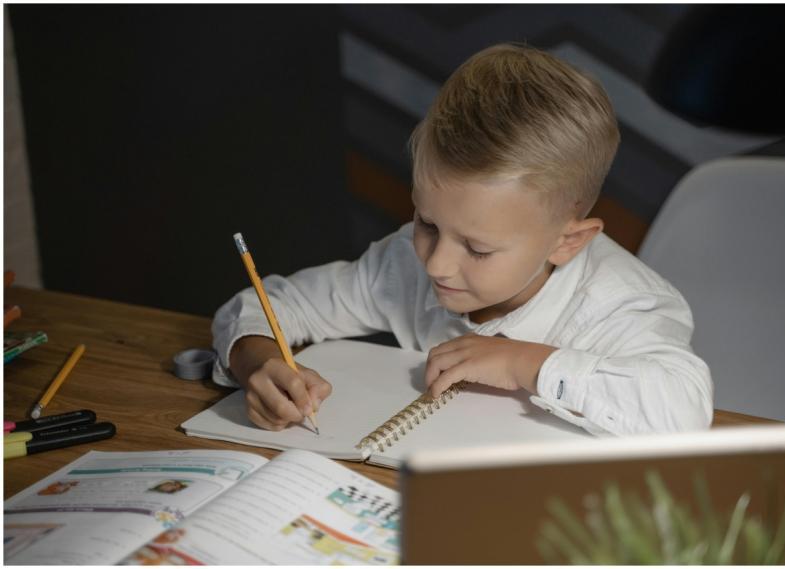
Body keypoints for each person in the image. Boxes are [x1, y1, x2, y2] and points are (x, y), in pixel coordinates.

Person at [212, 43, 713, 436]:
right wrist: (259, 362)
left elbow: (685, 407)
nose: (436, 265)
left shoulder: (624, 305)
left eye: (477, 249)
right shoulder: (404, 263)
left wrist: (526, 363)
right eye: (427, 223)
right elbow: (271, 304)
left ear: (568, 241)